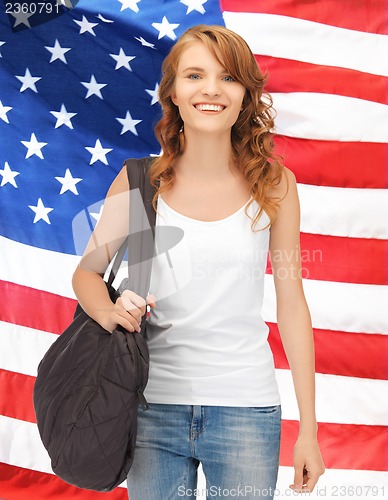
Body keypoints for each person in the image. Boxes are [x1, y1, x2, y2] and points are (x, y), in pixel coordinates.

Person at [72, 24, 325, 499]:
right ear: (173, 92)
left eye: (228, 78)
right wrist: (109, 312)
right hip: (149, 409)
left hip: (246, 410)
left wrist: (309, 429)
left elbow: (292, 304)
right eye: (194, 75)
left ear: (246, 95)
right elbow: (87, 273)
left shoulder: (275, 185)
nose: (211, 89)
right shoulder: (139, 181)